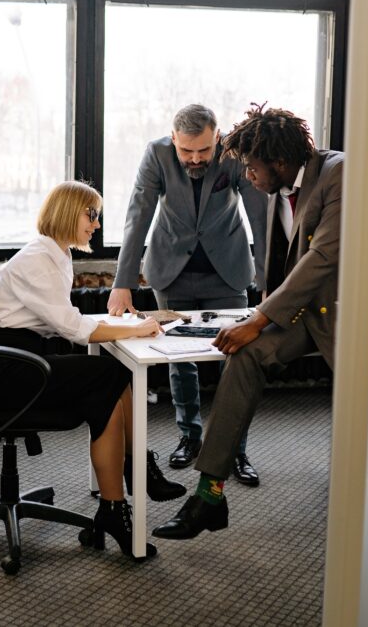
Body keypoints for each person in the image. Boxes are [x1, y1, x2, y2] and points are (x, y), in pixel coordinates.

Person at [153, 103, 344, 540]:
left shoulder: (336, 173)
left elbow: (322, 257)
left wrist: (259, 318)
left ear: (278, 161)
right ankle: (209, 495)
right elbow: (280, 261)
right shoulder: (279, 187)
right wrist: (257, 317)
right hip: (301, 311)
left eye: (251, 168)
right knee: (246, 356)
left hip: (344, 314)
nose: (247, 177)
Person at [0, 180, 187, 561]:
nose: (96, 224)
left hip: (24, 359)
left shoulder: (56, 255)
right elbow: (71, 328)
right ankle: (138, 470)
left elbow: (66, 321)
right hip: (6, 371)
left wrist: (127, 325)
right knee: (109, 374)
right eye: (91, 214)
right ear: (67, 212)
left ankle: (113, 508)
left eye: (97, 216)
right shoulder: (37, 260)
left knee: (101, 389)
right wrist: (133, 328)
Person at [107, 104, 268, 485]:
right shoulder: (157, 155)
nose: (195, 159)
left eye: (203, 151)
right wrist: (122, 280)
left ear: (217, 138)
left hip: (227, 272)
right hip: (171, 273)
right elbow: (138, 216)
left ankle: (235, 448)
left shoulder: (234, 153)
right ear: (173, 139)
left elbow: (260, 218)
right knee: (179, 359)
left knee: (237, 362)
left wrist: (269, 279)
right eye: (186, 151)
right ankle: (190, 437)